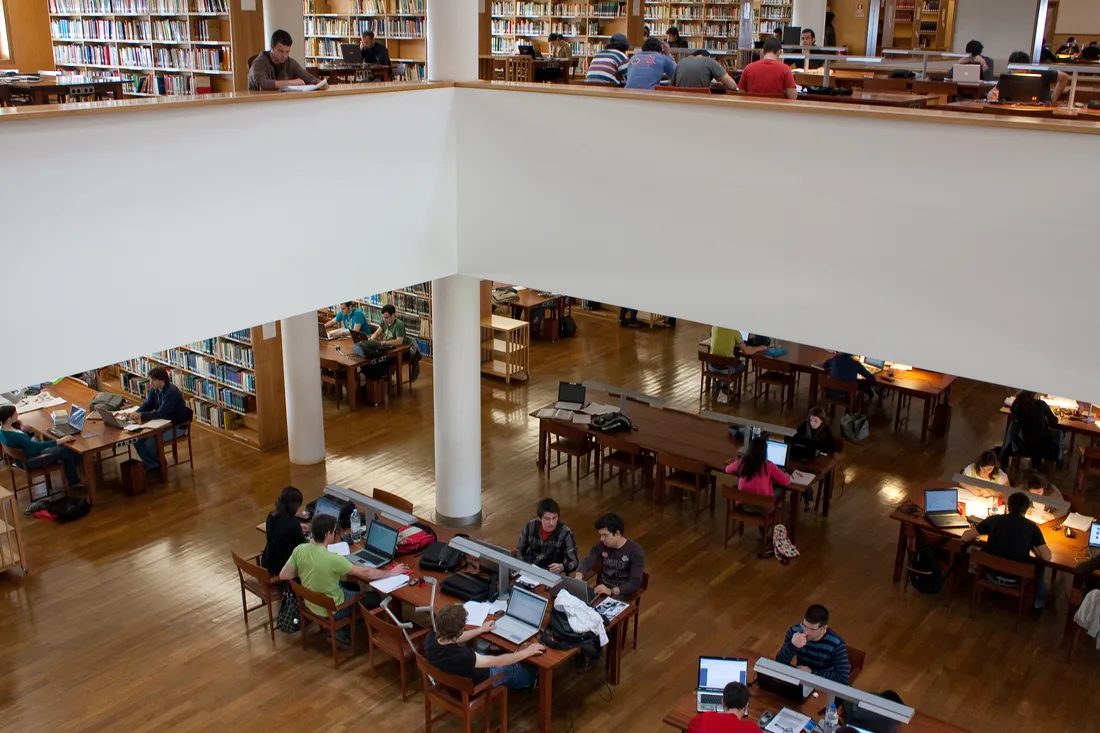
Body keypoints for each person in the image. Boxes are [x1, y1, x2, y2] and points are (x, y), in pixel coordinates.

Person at [279, 514, 409, 644]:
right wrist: (390, 573)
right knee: (374, 598)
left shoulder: (300, 549)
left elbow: (284, 575)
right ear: (327, 534)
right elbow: (365, 572)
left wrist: (308, 568)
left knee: (352, 586)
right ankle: (343, 630)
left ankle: (344, 626)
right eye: (334, 531)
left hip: (311, 604)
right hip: (333, 609)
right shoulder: (333, 559)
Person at [961, 491, 1051, 612]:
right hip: (1017, 579)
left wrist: (976, 529)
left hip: (991, 573)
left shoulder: (994, 520)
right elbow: (1047, 557)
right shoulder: (1032, 528)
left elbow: (965, 537)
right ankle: (1038, 604)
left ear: (1008, 506)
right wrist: (1034, 547)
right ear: (1026, 510)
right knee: (1040, 566)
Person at [425, 605, 545, 689]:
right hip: (479, 681)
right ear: (459, 630)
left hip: (452, 676)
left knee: (489, 654)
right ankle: (532, 680)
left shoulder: (431, 639)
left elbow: (455, 638)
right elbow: (497, 662)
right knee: (511, 668)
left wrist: (480, 629)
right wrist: (528, 652)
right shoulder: (464, 656)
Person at [0, 404, 83, 489]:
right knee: (67, 451)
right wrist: (61, 440)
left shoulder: (2, 430)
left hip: (23, 458)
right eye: (15, 414)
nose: (17, 415)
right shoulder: (13, 436)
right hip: (32, 460)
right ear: (9, 419)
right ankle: (74, 481)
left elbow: (24, 442)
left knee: (64, 449)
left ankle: (75, 469)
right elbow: (37, 446)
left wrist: (26, 431)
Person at [129, 366, 190, 476]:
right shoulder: (155, 389)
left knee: (150, 443)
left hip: (176, 426)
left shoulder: (171, 393)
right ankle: (153, 464)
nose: (150, 383)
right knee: (137, 439)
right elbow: (148, 404)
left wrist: (141, 415)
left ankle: (159, 464)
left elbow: (161, 413)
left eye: (153, 380)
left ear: (162, 380)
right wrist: (135, 413)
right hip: (162, 423)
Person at [574, 512, 645, 598]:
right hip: (600, 591)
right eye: (600, 535)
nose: (602, 538)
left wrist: (611, 591)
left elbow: (635, 582)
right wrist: (579, 576)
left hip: (621, 593)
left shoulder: (635, 551)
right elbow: (588, 561)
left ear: (617, 533)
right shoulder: (601, 545)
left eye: (605, 535)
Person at [775, 604, 851, 684]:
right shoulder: (794, 632)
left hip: (823, 683)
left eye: (812, 629)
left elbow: (843, 679)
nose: (806, 632)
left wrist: (812, 674)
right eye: (804, 626)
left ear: (824, 627)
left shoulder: (836, 644)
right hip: (800, 679)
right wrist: (792, 645)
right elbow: (779, 663)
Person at [724, 436, 790, 514]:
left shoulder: (742, 462)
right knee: (780, 490)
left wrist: (737, 464)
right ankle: (772, 523)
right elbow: (786, 482)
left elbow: (727, 469)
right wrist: (786, 476)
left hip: (744, 506)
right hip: (764, 508)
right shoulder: (768, 465)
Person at [515, 498, 579, 574]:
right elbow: (519, 550)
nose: (551, 523)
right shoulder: (530, 526)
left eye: (554, 518)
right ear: (539, 518)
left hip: (550, 573)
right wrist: (524, 566)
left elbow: (574, 562)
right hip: (529, 569)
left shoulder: (565, 533)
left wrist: (562, 567)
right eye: (547, 519)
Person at [1002, 390, 1060, 470]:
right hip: (1041, 444)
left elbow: (1012, 410)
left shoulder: (1018, 404)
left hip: (1022, 443)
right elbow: (1054, 421)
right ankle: (1039, 465)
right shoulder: (1041, 404)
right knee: (1057, 434)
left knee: (1032, 437)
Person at [248, 29, 319, 91]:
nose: (284, 56)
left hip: (283, 103)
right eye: (281, 51)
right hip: (261, 103)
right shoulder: (259, 63)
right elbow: (262, 84)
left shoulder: (290, 62)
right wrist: (291, 83)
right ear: (272, 47)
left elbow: (308, 77)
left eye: (287, 52)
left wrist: (319, 83)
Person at [988, 51, 1069, 105]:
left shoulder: (1041, 73)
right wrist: (991, 95)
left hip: (1040, 111)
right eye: (1015, 73)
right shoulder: (1008, 77)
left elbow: (1064, 77)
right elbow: (993, 92)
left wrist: (1053, 100)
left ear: (1028, 68)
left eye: (1022, 73)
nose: (1018, 76)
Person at [261, 486, 307, 576]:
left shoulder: (271, 516)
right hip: (281, 570)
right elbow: (303, 548)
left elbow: (282, 529)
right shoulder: (293, 524)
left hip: (268, 562)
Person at [687, 681, 762, 733]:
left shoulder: (704, 719)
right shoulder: (752, 729)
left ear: (722, 702)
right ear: (746, 706)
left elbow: (691, 727)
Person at [708, 326, 746, 401]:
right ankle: (723, 384)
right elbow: (746, 351)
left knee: (728, 363)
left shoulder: (714, 327)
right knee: (741, 366)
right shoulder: (735, 331)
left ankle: (720, 384)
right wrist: (760, 348)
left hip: (711, 367)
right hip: (725, 370)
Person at [673, 49, 738, 90]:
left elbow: (671, 85)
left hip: (680, 103)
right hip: (701, 103)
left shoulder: (681, 62)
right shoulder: (709, 61)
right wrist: (720, 85)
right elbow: (732, 86)